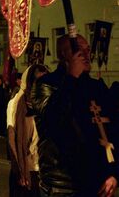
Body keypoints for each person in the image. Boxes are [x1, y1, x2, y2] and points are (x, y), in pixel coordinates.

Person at [31, 35, 118, 196]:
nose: (86, 55)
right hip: (62, 185)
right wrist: (71, 77)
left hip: (96, 183)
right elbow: (54, 120)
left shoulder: (96, 87)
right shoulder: (46, 85)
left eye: (87, 50)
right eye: (79, 50)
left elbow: (113, 130)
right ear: (64, 55)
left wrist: (113, 172)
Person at [7, 64, 47, 197]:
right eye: (37, 81)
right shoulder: (16, 104)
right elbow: (13, 139)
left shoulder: (48, 103)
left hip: (46, 170)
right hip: (27, 171)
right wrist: (19, 171)